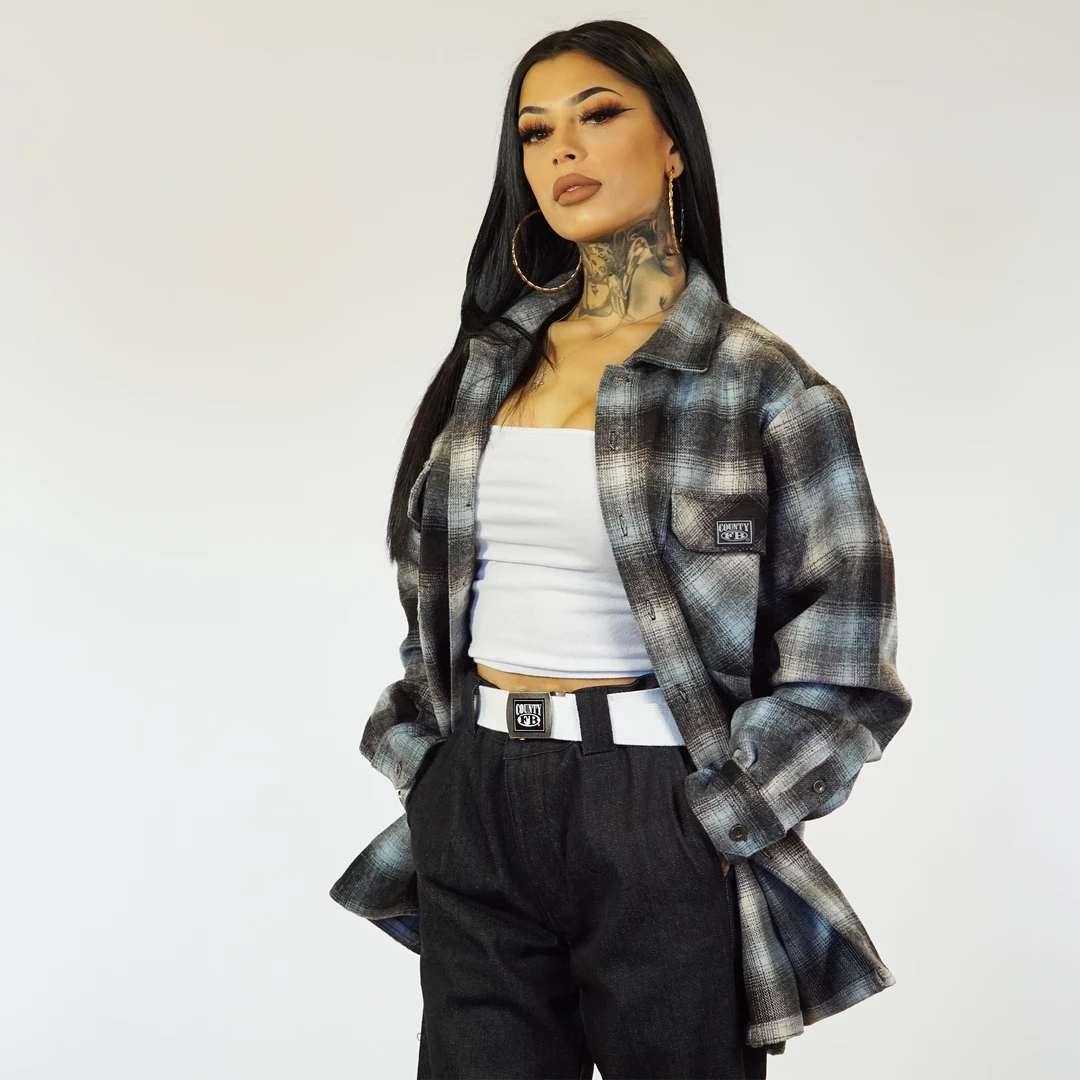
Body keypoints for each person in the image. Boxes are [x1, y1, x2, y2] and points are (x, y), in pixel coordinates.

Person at [330, 18, 912, 1080]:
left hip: (657, 810)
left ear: (673, 144)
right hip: (478, 798)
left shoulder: (764, 386)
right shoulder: (490, 364)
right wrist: (430, 766)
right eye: (535, 131)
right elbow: (429, 592)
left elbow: (847, 663)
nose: (564, 149)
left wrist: (718, 817)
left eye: (598, 115)